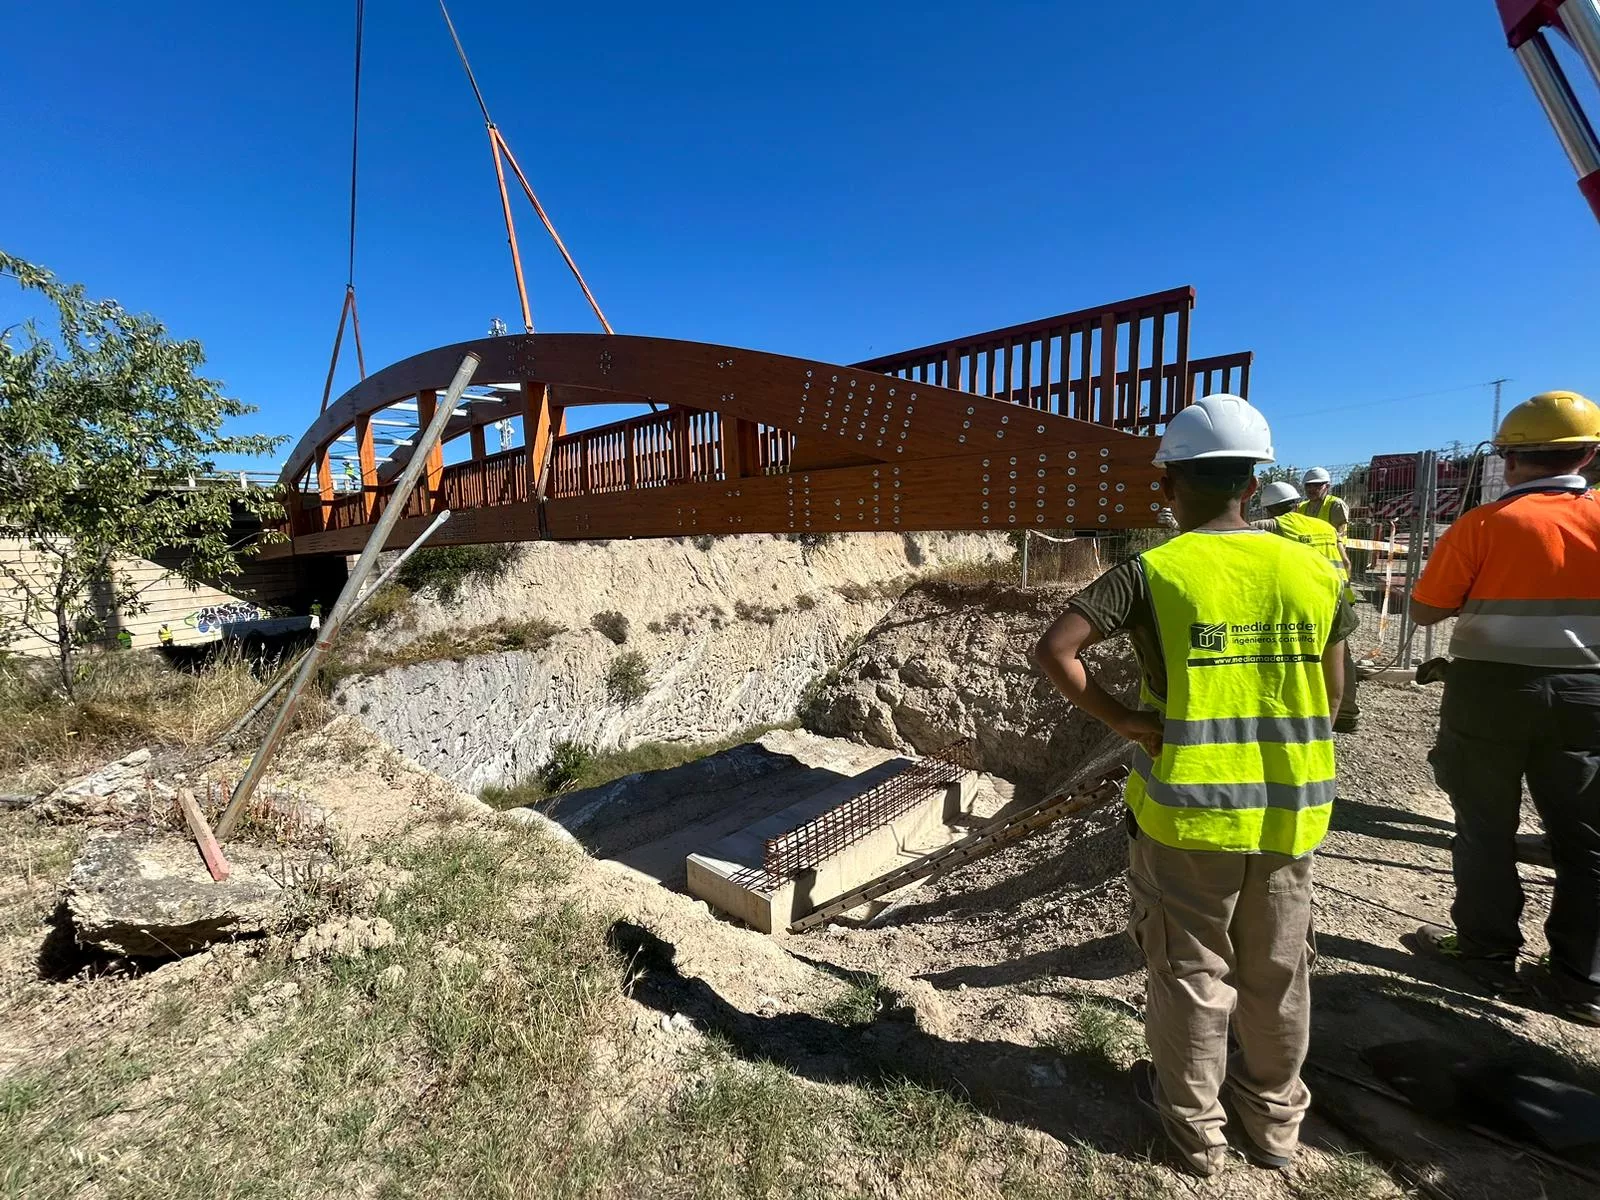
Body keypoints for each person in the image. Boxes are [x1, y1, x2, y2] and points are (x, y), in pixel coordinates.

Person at [1035, 395, 1355, 1176]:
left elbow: (1056, 651)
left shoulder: (1152, 572)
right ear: (1254, 481)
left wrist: (1131, 723)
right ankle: (1275, 1125)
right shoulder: (1316, 570)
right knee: (1279, 973)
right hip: (1289, 816)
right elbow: (1337, 698)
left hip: (1189, 816)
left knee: (1190, 973)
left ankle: (1197, 1133)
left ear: (1170, 485)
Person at [1408, 390, 1600, 1027]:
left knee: (1485, 824)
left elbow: (1428, 608)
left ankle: (1488, 952)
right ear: (1590, 453)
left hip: (1491, 691)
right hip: (1588, 695)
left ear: (1509, 460)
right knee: (1586, 836)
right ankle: (1582, 978)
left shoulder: (1484, 525)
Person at [1254, 480, 1361, 733]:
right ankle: (1347, 714)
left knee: (1300, 654)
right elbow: (1345, 562)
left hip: (1305, 599)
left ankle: (1297, 711)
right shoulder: (1325, 527)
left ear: (1269, 509)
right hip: (1338, 595)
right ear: (1296, 504)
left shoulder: (1272, 525)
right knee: (1340, 657)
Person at [1297, 466, 1349, 534]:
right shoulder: (1300, 507)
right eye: (1308, 485)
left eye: (1317, 485)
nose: (1311, 489)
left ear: (1327, 486)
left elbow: (1339, 534)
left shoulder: (1335, 505)